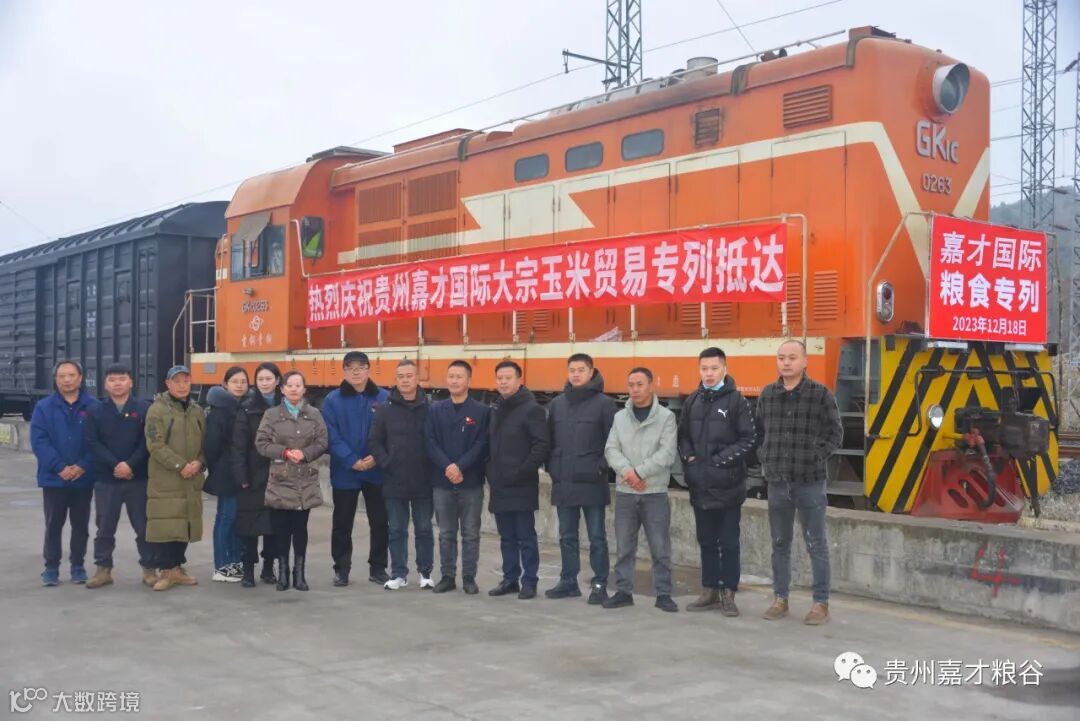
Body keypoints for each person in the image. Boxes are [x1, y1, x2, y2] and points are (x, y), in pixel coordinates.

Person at [757, 339, 843, 626]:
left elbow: (835, 434)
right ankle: (780, 599)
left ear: (805, 361)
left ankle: (820, 603)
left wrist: (815, 457)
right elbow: (759, 433)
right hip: (777, 482)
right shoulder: (767, 395)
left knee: (816, 542)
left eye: (792, 357)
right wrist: (765, 457)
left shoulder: (821, 395)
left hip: (810, 482)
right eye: (781, 357)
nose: (786, 362)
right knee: (780, 543)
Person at [678, 347, 757, 617]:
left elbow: (749, 439)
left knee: (729, 541)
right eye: (704, 369)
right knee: (706, 540)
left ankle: (729, 593)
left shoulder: (737, 401)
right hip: (700, 486)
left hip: (728, 486)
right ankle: (710, 590)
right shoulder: (692, 401)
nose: (709, 373)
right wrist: (689, 458)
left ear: (724, 368)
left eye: (714, 368)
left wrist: (720, 461)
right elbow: (683, 435)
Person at [603, 367, 679, 613]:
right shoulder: (619, 418)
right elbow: (611, 449)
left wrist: (639, 473)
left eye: (639, 384)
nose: (634, 390)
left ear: (651, 386)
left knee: (660, 548)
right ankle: (623, 591)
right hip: (626, 492)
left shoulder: (666, 417)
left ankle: (664, 594)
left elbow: (667, 454)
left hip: (654, 492)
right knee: (624, 547)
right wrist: (628, 473)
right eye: (631, 385)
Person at [545, 353, 617, 605]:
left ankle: (599, 585)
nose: (575, 374)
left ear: (591, 372)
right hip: (564, 481)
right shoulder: (557, 404)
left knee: (597, 537)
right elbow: (549, 440)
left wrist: (599, 468)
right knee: (567, 536)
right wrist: (553, 468)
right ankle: (568, 582)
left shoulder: (605, 404)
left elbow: (613, 442)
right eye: (572, 370)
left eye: (581, 370)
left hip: (592, 482)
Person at [83, 363, 154, 589]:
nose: (117, 383)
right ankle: (103, 569)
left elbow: (147, 442)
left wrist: (130, 464)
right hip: (107, 479)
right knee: (104, 527)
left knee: (143, 526)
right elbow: (92, 442)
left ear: (130, 382)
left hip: (138, 478)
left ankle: (149, 569)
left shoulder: (144, 408)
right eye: (112, 380)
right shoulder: (95, 410)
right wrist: (115, 464)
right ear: (105, 384)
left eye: (122, 379)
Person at [255, 370, 328, 591]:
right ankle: (283, 573)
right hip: (280, 480)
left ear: (304, 389)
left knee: (300, 529)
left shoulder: (314, 414)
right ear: (282, 389)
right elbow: (261, 443)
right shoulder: (271, 415)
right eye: (290, 385)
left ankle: (299, 573)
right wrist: (285, 452)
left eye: (298, 385)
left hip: (305, 479)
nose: (294, 389)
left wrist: (305, 453)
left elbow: (322, 441)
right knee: (281, 529)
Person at [322, 351, 390, 586]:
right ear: (344, 371)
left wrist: (376, 458)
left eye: (361, 367)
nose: (356, 372)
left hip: (376, 470)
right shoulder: (332, 400)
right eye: (351, 368)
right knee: (342, 523)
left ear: (369, 369)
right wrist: (351, 459)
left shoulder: (384, 397)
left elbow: (389, 432)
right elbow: (331, 435)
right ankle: (341, 569)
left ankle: (378, 568)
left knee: (380, 522)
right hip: (345, 471)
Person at [424, 360, 489, 595]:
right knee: (446, 533)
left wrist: (460, 466)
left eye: (459, 376)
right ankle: (448, 576)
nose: (454, 380)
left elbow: (482, 444)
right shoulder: (435, 410)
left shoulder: (482, 411)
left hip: (470, 482)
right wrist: (448, 467)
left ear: (469, 380)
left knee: (470, 533)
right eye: (451, 376)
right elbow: (430, 442)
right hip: (442, 482)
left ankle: (469, 577)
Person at [31, 359, 98, 586]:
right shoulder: (44, 407)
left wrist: (82, 465)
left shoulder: (93, 406)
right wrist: (59, 467)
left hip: (83, 477)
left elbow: (97, 441)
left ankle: (78, 566)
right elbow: (39, 441)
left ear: (80, 378)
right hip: (54, 478)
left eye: (71, 375)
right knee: (53, 524)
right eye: (62, 376)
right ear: (56, 379)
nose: (67, 380)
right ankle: (51, 568)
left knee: (81, 524)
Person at [486, 360, 549, 600]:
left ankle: (530, 581)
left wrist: (522, 471)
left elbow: (541, 445)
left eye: (508, 378)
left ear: (519, 380)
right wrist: (490, 470)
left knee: (525, 536)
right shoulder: (496, 408)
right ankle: (510, 579)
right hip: (499, 483)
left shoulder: (531, 409)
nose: (503, 382)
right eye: (500, 378)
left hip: (521, 484)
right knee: (506, 537)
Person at [369, 360, 434, 590]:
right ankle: (398, 574)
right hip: (394, 480)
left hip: (423, 480)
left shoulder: (430, 409)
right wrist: (387, 463)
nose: (405, 380)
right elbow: (374, 441)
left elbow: (436, 441)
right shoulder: (384, 409)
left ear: (418, 378)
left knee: (424, 529)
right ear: (395, 380)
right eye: (400, 376)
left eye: (409, 375)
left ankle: (425, 573)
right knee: (397, 529)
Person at [144, 365, 206, 592]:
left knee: (185, 524)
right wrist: (180, 465)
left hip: (191, 478)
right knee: (166, 525)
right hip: (167, 477)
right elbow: (155, 444)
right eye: (176, 381)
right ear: (167, 384)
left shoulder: (197, 410)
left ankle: (178, 569)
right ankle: (167, 570)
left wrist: (199, 463)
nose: (182, 386)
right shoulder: (157, 410)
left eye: (185, 381)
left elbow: (206, 443)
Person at [231, 362, 282, 587]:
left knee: (275, 526)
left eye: (269, 379)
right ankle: (248, 571)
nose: (264, 383)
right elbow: (239, 446)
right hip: (253, 475)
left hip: (280, 475)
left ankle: (269, 568)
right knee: (249, 526)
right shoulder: (247, 408)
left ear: (277, 381)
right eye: (260, 379)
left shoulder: (286, 405)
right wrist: (241, 476)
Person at [202, 366, 249, 583]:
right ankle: (221, 565)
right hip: (226, 472)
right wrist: (219, 467)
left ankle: (234, 561)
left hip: (241, 472)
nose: (239, 385)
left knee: (236, 518)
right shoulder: (219, 411)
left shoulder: (243, 407)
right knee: (226, 518)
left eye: (243, 381)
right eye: (234, 381)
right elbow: (211, 446)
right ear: (225, 385)